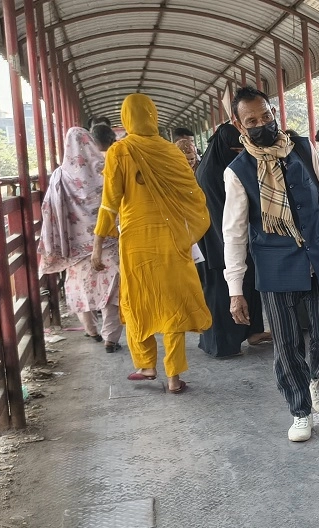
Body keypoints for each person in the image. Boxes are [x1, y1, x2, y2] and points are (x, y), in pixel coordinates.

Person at [222, 86, 319, 442]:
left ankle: (317, 378)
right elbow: (234, 234)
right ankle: (300, 411)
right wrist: (235, 290)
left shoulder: (302, 148)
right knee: (285, 343)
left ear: (274, 112)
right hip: (274, 265)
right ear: (239, 125)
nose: (262, 124)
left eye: (266, 116)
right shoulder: (237, 172)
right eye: (252, 120)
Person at [92, 93, 212, 394]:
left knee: (137, 300)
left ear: (126, 119)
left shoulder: (120, 151)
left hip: (135, 240)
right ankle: (173, 378)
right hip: (171, 237)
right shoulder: (170, 152)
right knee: (172, 303)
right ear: (153, 116)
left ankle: (146, 365)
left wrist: (97, 245)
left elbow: (110, 203)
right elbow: (193, 194)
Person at [39, 127, 123, 352]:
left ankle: (91, 330)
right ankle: (111, 338)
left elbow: (48, 208)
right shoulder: (104, 169)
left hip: (75, 247)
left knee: (79, 287)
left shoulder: (59, 176)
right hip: (108, 242)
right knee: (111, 290)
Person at [195, 122, 269, 357]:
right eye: (234, 151)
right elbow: (220, 216)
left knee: (248, 286)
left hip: (234, 240)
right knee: (220, 292)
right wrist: (230, 248)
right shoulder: (210, 174)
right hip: (217, 244)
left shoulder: (223, 167)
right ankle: (222, 344)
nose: (238, 155)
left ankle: (253, 332)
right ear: (223, 147)